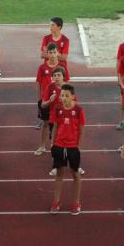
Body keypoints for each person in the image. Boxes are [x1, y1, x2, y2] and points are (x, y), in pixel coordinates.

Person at [49, 84, 85, 215]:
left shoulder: (79, 110)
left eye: (66, 95)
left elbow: (81, 129)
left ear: (73, 96)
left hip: (72, 147)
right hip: (59, 145)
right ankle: (56, 201)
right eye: (62, 95)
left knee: (75, 174)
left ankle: (76, 202)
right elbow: (55, 127)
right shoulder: (58, 109)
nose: (63, 98)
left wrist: (78, 146)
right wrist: (52, 143)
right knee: (59, 174)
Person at [35, 44, 69, 152]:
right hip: (46, 100)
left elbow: (66, 83)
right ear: (47, 54)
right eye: (50, 53)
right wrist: (40, 99)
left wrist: (65, 99)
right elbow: (38, 83)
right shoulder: (42, 67)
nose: (53, 55)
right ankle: (42, 146)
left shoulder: (62, 66)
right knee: (45, 123)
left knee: (60, 124)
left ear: (58, 53)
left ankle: (60, 146)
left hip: (59, 101)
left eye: (55, 52)